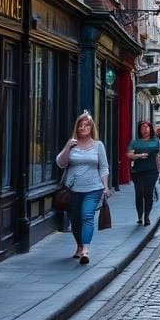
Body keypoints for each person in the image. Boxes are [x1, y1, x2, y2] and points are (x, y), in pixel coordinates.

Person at [56, 112, 109, 264]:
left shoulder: (98, 146)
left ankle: (85, 250)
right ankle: (79, 245)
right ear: (77, 127)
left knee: (87, 216)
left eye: (87, 125)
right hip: (72, 190)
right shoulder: (71, 144)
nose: (84, 127)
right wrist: (67, 146)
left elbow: (104, 167)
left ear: (91, 127)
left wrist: (105, 187)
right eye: (81, 125)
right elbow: (60, 163)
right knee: (75, 220)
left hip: (93, 189)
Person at [126, 120, 160, 225]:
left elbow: (158, 157)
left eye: (147, 127)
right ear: (139, 130)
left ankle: (146, 216)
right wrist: (139, 156)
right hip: (137, 172)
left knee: (148, 193)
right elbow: (129, 155)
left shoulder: (156, 141)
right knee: (139, 193)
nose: (145, 129)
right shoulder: (135, 142)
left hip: (152, 171)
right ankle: (139, 215)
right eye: (142, 127)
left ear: (150, 129)